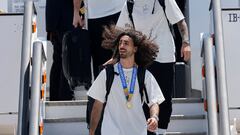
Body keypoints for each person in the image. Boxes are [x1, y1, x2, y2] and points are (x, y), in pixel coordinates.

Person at [116, 0, 191, 133]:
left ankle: (161, 131)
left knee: (164, 97)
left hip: (165, 55)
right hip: (142, 58)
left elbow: (180, 22)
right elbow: (121, 33)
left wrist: (185, 43)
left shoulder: (164, 1)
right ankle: (147, 130)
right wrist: (116, 56)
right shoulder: (130, 4)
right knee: (142, 97)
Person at [88, 27, 165, 135]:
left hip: (137, 131)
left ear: (135, 49)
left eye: (126, 43)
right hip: (111, 131)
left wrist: (154, 118)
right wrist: (91, 132)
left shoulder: (143, 75)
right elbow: (97, 105)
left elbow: (154, 102)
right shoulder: (107, 73)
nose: (122, 46)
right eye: (120, 43)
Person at [45, 0, 84, 100]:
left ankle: (55, 97)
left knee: (58, 59)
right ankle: (65, 96)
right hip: (67, 16)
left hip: (53, 18)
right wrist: (78, 13)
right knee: (68, 58)